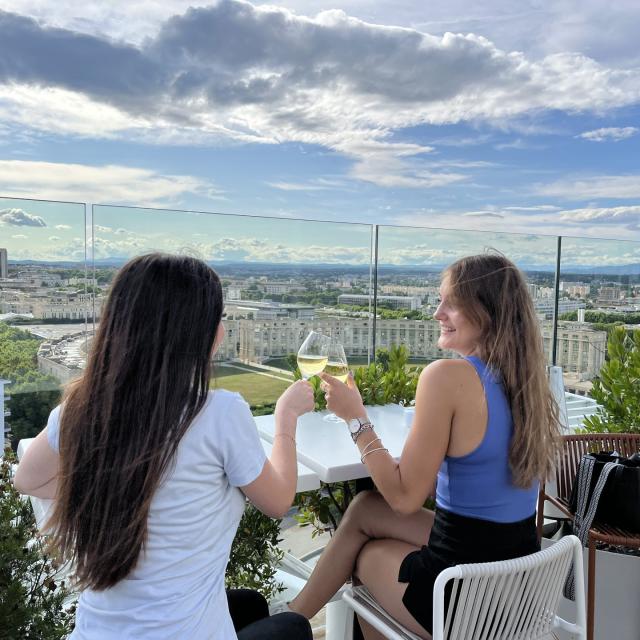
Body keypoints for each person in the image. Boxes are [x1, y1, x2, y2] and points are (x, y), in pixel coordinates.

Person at [13, 253, 315, 640]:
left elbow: (27, 479)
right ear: (199, 333)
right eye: (217, 319)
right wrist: (286, 417)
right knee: (292, 626)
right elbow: (278, 501)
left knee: (250, 605)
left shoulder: (79, 410)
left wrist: (118, 481)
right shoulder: (219, 413)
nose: (222, 329)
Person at [281, 252, 561, 639]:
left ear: (487, 312)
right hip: (517, 584)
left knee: (366, 558)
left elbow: (404, 499)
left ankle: (283, 628)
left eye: (452, 303)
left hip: (468, 600)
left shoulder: (446, 377)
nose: (437, 313)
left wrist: (356, 418)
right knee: (365, 508)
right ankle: (290, 621)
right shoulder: (525, 380)